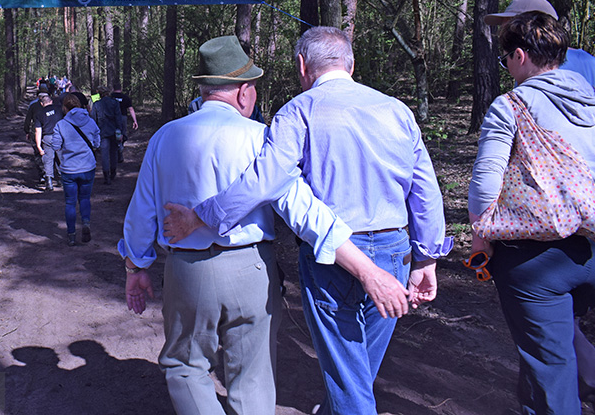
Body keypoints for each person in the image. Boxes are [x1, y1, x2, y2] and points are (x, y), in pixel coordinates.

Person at [164, 26, 451, 414]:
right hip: (394, 252)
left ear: (302, 65)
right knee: (358, 367)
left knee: (349, 376)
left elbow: (266, 179)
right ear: (350, 63)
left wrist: (204, 215)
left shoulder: (299, 111)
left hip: (333, 257)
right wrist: (427, 258)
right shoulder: (396, 110)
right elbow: (425, 189)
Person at [119, 34, 362, 415]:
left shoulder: (165, 138)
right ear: (244, 92)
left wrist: (136, 266)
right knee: (253, 374)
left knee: (185, 367)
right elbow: (298, 205)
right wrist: (357, 258)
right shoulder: (261, 138)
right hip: (252, 268)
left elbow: (142, 213)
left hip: (188, 270)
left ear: (205, 90)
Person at [469, 11, 595, 414]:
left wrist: (482, 235)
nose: (507, 66)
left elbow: (484, 181)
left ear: (521, 55)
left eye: (506, 57)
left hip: (535, 261)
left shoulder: (511, 105)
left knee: (551, 367)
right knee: (552, 344)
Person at [485, 0, 595, 93]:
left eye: (510, 28)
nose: (505, 36)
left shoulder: (540, 69)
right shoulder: (593, 64)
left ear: (534, 26)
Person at [51, 93, 101, 247]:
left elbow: (55, 146)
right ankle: (86, 224)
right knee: (85, 198)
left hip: (69, 169)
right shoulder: (91, 122)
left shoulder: (61, 125)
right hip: (87, 167)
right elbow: (97, 143)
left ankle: (71, 235)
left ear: (65, 108)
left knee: (70, 203)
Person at [90, 86, 123, 184]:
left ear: (99, 94)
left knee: (104, 154)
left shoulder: (96, 104)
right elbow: (118, 118)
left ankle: (106, 176)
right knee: (113, 152)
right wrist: (120, 131)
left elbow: (93, 119)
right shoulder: (115, 103)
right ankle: (113, 172)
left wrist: (94, 134)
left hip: (102, 132)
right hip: (113, 131)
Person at [34, 92, 64, 192]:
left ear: (42, 104)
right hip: (59, 136)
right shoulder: (59, 109)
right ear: (51, 102)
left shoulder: (39, 114)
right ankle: (62, 180)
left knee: (48, 159)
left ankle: (49, 183)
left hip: (47, 138)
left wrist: (39, 146)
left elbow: (38, 131)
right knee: (61, 158)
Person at [24, 85, 48, 184]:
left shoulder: (33, 105)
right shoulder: (53, 105)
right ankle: (50, 174)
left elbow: (28, 119)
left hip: (36, 132)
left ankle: (42, 174)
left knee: (38, 153)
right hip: (49, 132)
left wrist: (27, 131)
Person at [110, 83, 138, 163]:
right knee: (123, 134)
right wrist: (135, 120)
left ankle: (115, 151)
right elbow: (131, 109)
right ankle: (120, 149)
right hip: (123, 118)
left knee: (113, 134)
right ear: (121, 89)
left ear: (113, 88)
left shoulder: (110, 97)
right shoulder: (125, 97)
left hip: (112, 118)